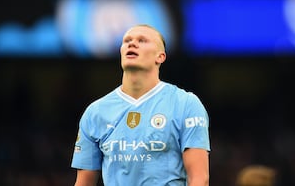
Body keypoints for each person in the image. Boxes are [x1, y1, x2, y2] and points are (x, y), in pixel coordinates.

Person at [71, 24, 211, 186]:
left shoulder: (186, 104)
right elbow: (83, 183)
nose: (132, 43)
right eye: (127, 41)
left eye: (142, 40)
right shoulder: (95, 112)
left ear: (160, 57)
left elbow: (199, 178)